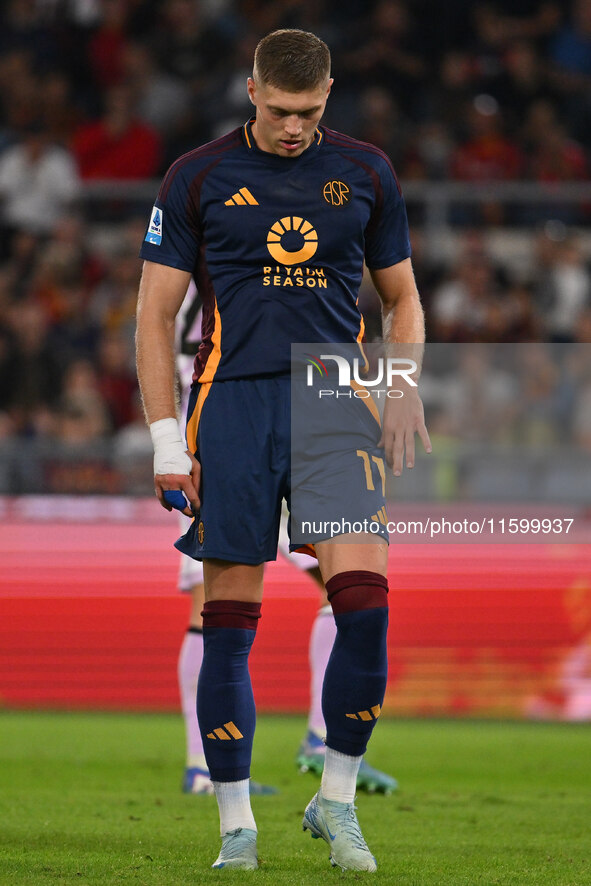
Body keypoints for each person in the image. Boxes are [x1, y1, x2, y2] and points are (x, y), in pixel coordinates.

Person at [136, 29, 429, 873]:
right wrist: (165, 440)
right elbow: (154, 318)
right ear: (253, 90)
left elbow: (402, 299)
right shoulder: (196, 175)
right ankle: (235, 825)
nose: (294, 127)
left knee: (366, 608)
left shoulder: (368, 171)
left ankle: (334, 803)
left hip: (335, 396)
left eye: (309, 111)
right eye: (280, 109)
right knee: (228, 623)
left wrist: (402, 383)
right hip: (230, 404)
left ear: (328, 93)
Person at [175, 282, 398, 798]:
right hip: (225, 437)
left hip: (250, 430)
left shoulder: (207, 276)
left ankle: (315, 743)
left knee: (339, 587)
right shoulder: (209, 279)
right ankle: (208, 768)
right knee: (215, 603)